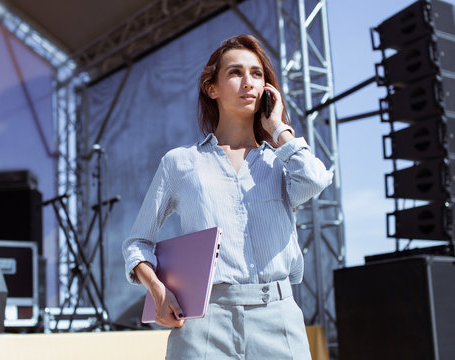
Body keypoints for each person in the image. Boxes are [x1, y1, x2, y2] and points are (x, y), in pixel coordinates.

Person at [122, 34, 333, 359]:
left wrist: (279, 128)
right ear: (212, 88)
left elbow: (316, 180)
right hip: (205, 322)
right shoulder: (180, 162)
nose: (248, 82)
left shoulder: (281, 161)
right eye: (235, 72)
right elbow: (137, 243)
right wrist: (157, 289)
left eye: (257, 74)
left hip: (278, 318)